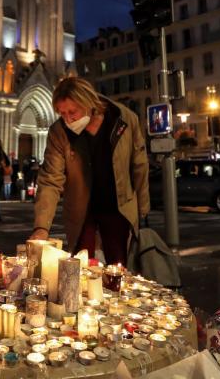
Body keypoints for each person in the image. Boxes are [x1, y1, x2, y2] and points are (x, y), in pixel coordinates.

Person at [30, 77, 149, 266]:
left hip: (117, 207)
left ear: (88, 103)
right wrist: (41, 227)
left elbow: (139, 166)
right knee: (81, 268)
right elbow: (50, 180)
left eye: (72, 112)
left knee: (118, 267)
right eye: (62, 113)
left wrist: (143, 211)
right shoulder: (59, 132)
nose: (68, 119)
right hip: (81, 210)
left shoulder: (123, 119)